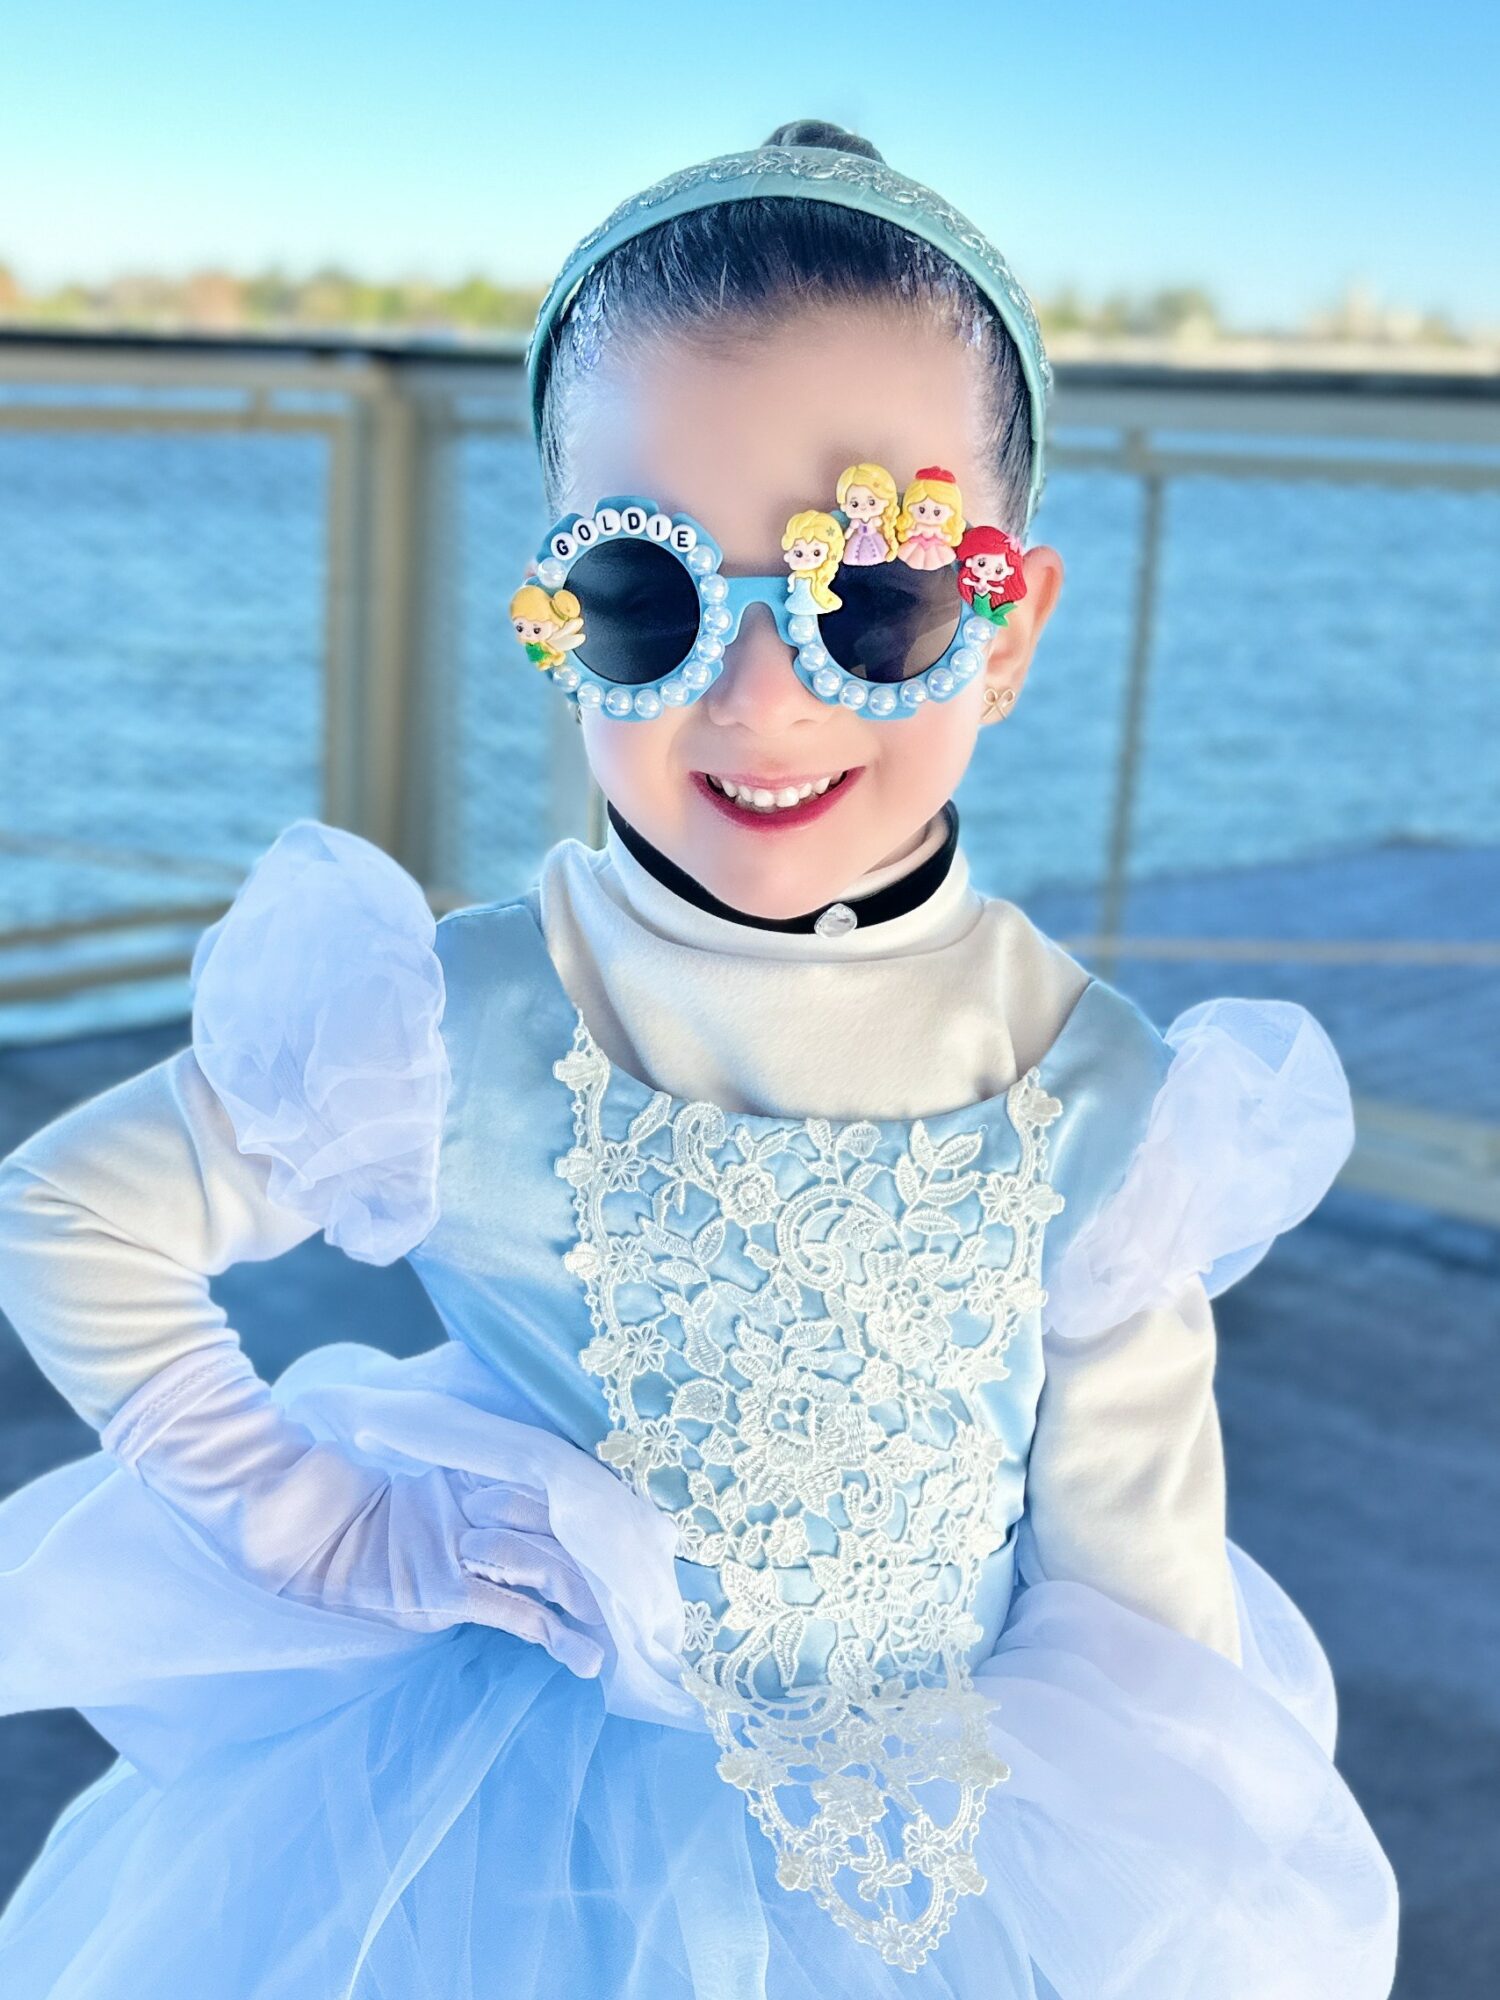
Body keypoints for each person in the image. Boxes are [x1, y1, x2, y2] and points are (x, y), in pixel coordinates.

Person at [0, 121, 1399, 1999]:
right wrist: (304, 1513)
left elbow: (1141, 1609)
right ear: (559, 617)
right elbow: (70, 1214)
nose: (758, 696)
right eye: (647, 599)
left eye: (875, 599)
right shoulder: (454, 1022)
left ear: (1007, 634)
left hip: (937, 1871)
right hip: (510, 1861)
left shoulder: (1100, 1094)